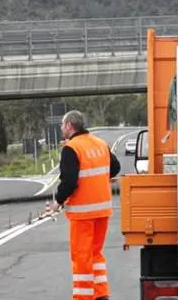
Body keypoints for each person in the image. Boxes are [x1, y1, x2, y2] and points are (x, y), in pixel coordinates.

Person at [54, 110, 120, 300]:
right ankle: (101, 294)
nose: (60, 128)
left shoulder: (71, 149)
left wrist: (58, 200)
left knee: (81, 257)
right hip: (102, 210)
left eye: (62, 125)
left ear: (69, 126)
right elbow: (115, 167)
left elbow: (69, 181)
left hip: (82, 213)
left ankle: (84, 297)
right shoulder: (100, 144)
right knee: (96, 254)